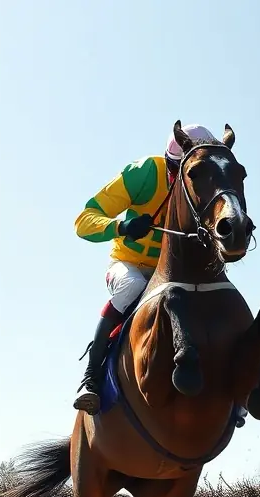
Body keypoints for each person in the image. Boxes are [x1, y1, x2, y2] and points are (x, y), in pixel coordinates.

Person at [71, 123, 219, 414]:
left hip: (170, 273)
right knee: (133, 287)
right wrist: (121, 226)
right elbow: (84, 221)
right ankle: (91, 377)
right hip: (127, 265)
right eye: (178, 170)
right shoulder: (145, 172)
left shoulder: (203, 185)